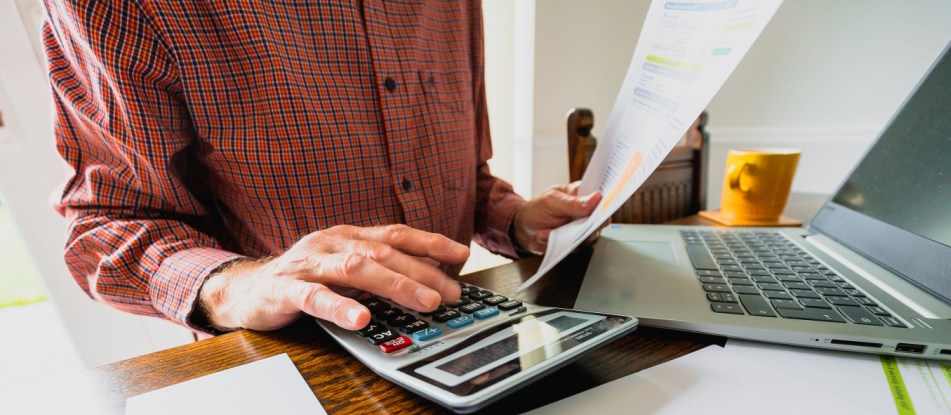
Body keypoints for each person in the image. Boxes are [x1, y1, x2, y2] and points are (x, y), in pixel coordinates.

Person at [42, 1, 600, 334]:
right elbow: (109, 224)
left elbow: (462, 174)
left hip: (461, 332)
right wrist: (246, 284)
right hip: (293, 365)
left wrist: (518, 219)